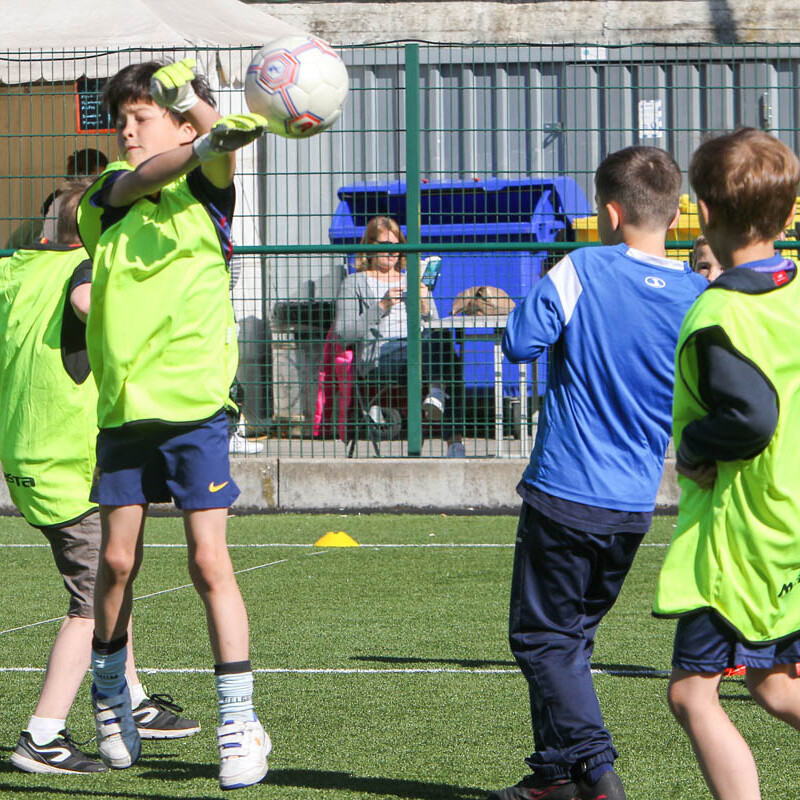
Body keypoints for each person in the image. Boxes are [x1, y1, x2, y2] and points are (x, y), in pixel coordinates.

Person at [76, 58, 270, 788]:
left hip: (197, 411)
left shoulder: (208, 194)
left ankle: (238, 720)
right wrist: (199, 133)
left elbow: (226, 143)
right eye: (120, 120)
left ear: (180, 124)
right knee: (117, 562)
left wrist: (195, 105)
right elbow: (146, 176)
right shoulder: (106, 196)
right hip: (126, 410)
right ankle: (109, 691)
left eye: (142, 117)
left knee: (207, 560)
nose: (126, 131)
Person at [492, 146, 708, 800]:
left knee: (541, 638)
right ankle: (554, 774)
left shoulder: (582, 267)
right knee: (572, 641)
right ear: (675, 214)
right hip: (634, 503)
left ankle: (594, 766)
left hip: (566, 489)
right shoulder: (696, 293)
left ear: (610, 213)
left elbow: (518, 342)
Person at [0, 180, 199, 775]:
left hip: (31, 455)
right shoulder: (85, 272)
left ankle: (130, 698)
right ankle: (43, 735)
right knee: (90, 604)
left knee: (116, 576)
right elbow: (88, 302)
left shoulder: (17, 269)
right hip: (68, 465)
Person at [653, 128, 800, 800]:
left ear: (703, 213)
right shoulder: (794, 291)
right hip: (789, 524)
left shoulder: (720, 313)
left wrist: (694, 446)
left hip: (742, 541)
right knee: (774, 686)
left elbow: (751, 418)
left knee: (691, 694)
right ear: (789, 213)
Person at [334, 216, 465, 457]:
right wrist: (381, 306)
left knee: (442, 341)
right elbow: (343, 335)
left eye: (396, 245)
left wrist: (424, 305)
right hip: (380, 358)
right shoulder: (354, 283)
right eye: (384, 244)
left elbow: (434, 324)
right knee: (443, 359)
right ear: (369, 247)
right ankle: (446, 420)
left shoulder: (412, 279)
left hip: (421, 353)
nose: (392, 251)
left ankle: (448, 427)